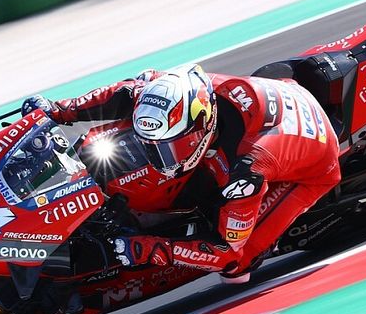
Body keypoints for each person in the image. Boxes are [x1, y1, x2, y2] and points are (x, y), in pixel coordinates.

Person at [21, 63, 341, 282]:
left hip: (313, 164)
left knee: (237, 267)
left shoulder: (248, 170)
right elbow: (124, 93)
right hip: (270, 104)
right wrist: (58, 110)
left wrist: (155, 248)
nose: (158, 158)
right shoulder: (174, 91)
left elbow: (227, 252)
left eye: (168, 147)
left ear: (200, 129)